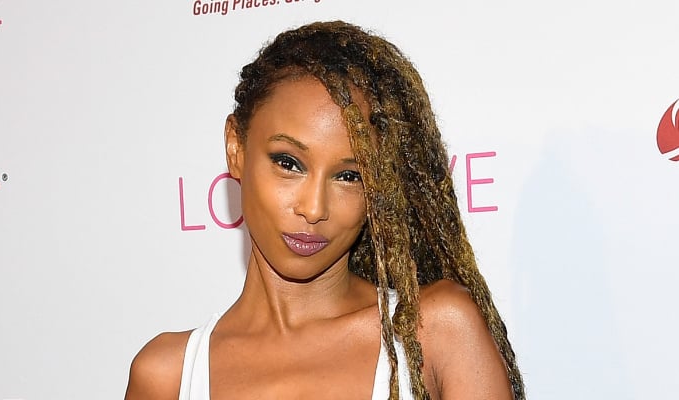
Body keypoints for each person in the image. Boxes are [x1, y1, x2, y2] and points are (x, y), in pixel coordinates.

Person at [125, 21, 524, 400]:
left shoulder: (436, 330)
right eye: (288, 163)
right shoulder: (166, 375)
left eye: (349, 176)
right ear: (236, 148)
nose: (314, 209)